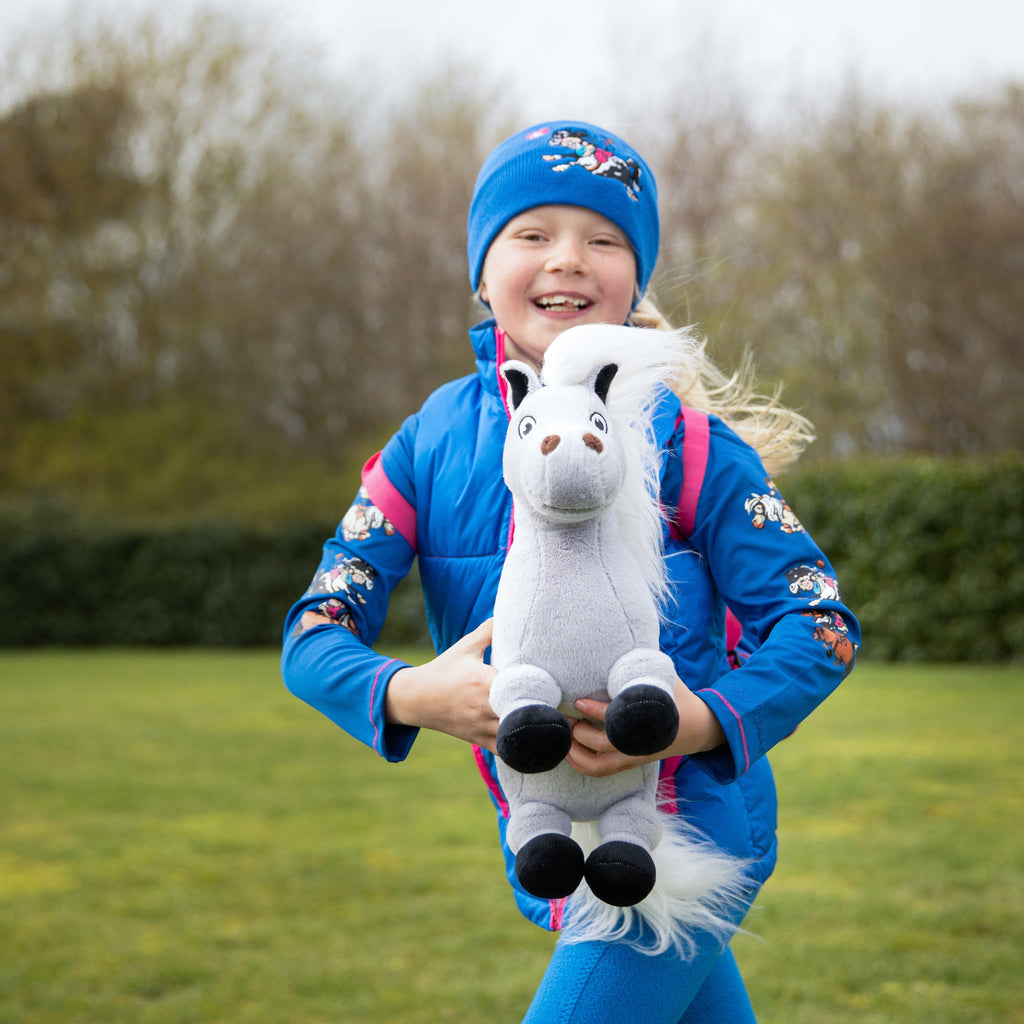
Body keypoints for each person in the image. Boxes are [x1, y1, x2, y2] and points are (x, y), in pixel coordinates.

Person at [281, 120, 860, 1023]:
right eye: (532, 234)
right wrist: (412, 695)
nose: (569, 260)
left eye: (604, 239)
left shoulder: (696, 445)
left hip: (687, 838)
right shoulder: (428, 440)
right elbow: (314, 633)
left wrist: (699, 721)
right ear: (481, 270)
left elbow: (820, 623)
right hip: (550, 838)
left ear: (636, 282)